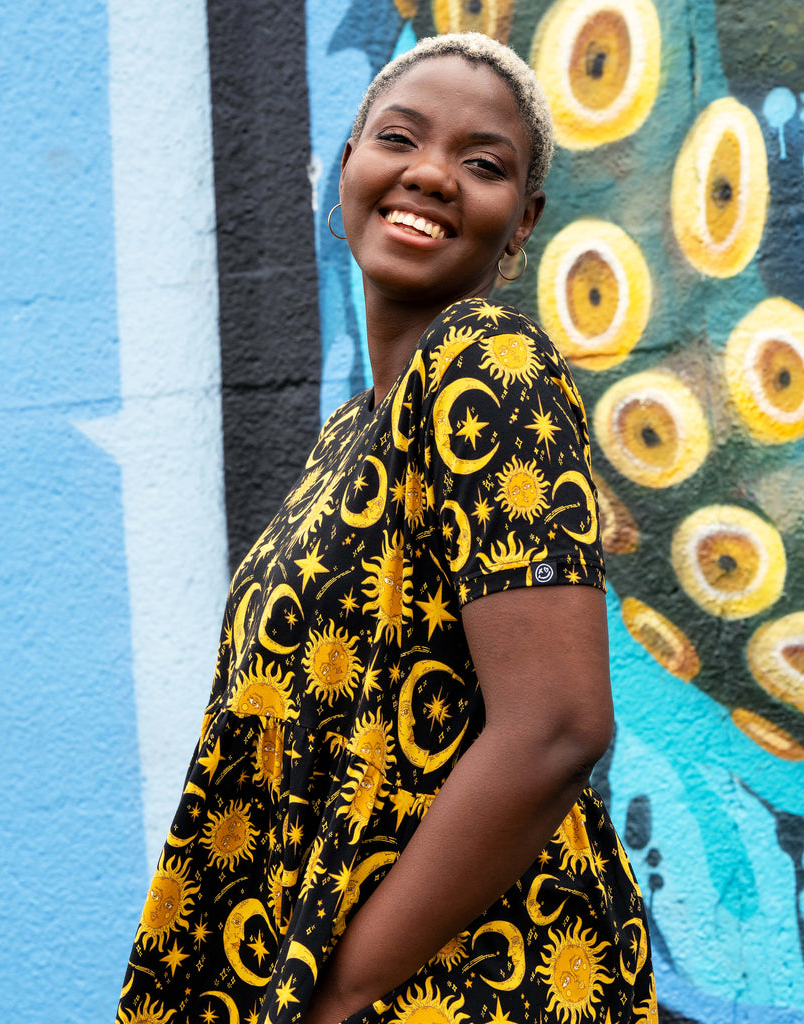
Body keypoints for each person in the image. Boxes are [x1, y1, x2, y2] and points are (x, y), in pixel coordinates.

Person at [116, 31, 656, 1024]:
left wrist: (336, 988)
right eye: (399, 138)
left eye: (482, 164)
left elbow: (557, 726)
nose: (431, 174)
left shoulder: (487, 359)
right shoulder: (345, 442)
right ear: (345, 168)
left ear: (522, 222)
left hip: (471, 986)